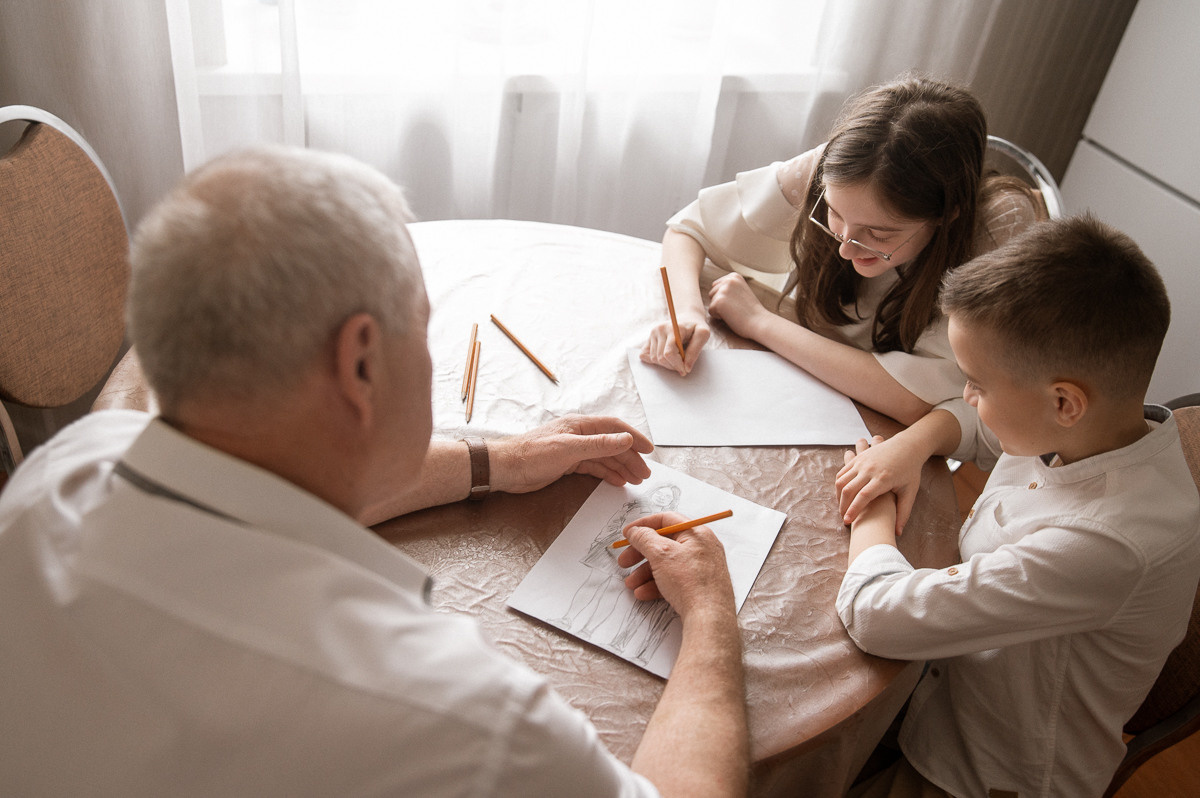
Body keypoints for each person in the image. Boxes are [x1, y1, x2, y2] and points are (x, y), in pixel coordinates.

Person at [0, 146, 749, 798]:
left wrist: (498, 460)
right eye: (422, 332)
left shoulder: (54, 477)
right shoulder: (465, 720)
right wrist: (712, 616)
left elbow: (262, 491)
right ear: (360, 363)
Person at [835, 215, 1200, 797]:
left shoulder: (1104, 542)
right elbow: (987, 429)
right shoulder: (1097, 429)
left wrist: (871, 509)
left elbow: (875, 615)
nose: (966, 396)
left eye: (977, 383)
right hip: (937, 694)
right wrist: (911, 445)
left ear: (1065, 403)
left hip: (979, 774)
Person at [640, 74, 1042, 428]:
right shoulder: (839, 167)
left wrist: (759, 322)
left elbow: (916, 399)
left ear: (946, 215)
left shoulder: (999, 223)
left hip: (882, 423)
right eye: (833, 214)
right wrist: (688, 312)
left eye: (878, 234)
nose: (846, 249)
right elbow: (688, 230)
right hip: (813, 376)